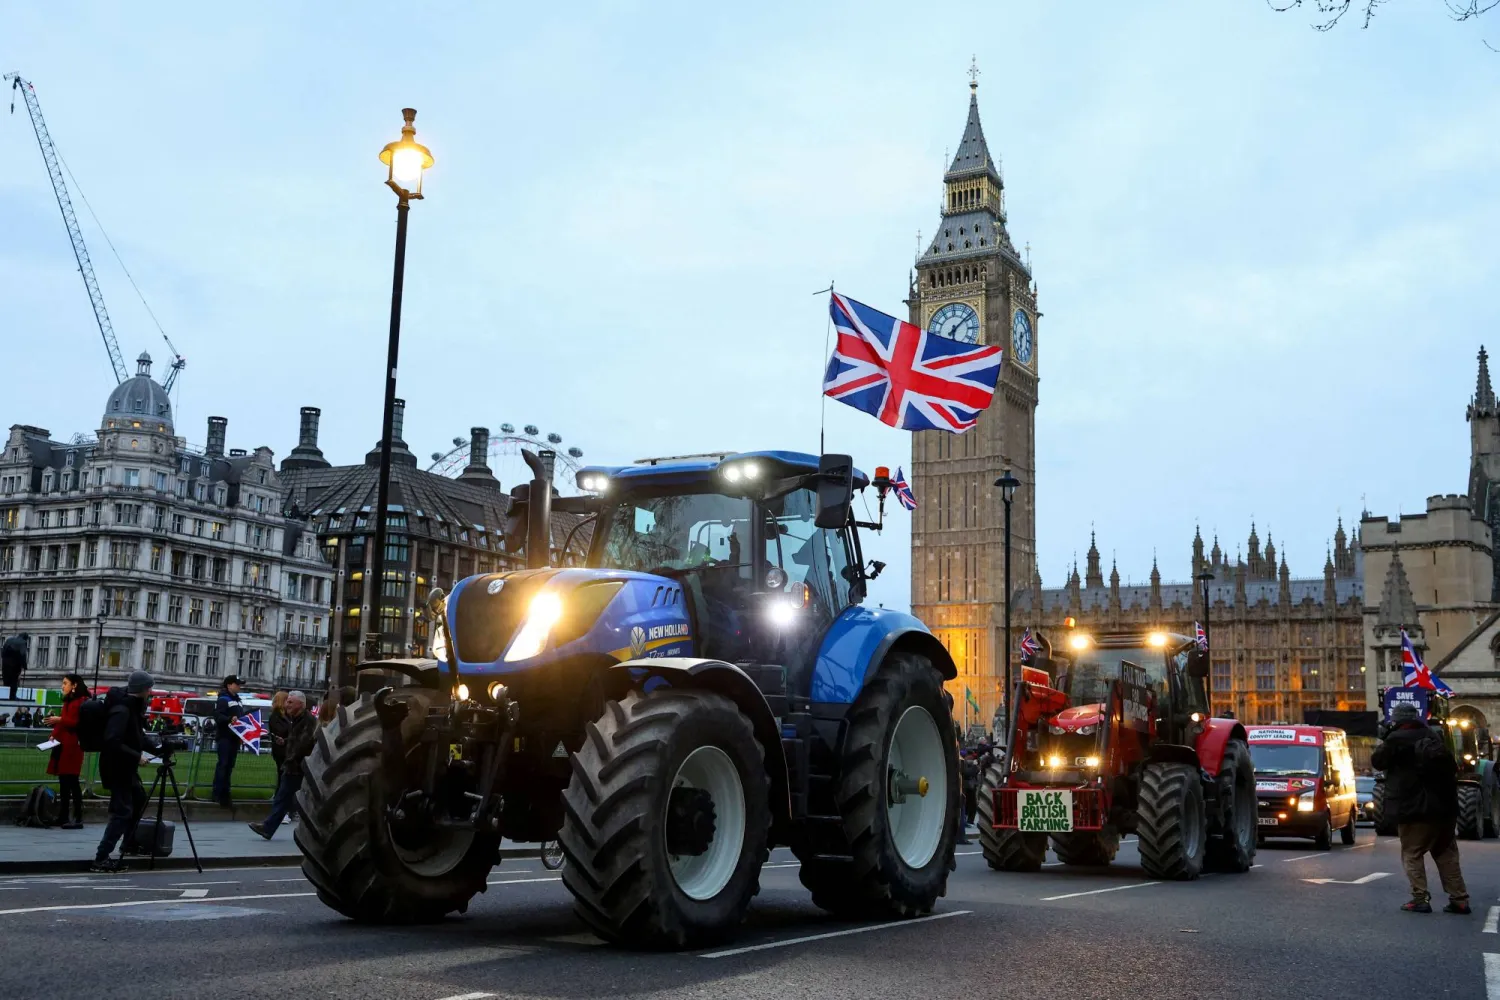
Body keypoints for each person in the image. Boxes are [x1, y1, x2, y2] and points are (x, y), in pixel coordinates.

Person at [1371, 701, 1470, 914]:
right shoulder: (1434, 736)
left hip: (1414, 808)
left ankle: (1420, 898)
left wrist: (1385, 737)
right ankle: (1459, 899)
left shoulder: (1396, 740)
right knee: (1446, 854)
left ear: (1396, 719)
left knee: (1412, 852)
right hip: (1445, 808)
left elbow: (1378, 761)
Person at [91, 670, 153, 873]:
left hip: (124, 765)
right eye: (150, 688)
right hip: (116, 767)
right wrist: (137, 756)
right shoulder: (123, 709)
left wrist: (160, 747)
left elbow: (137, 737)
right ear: (144, 689)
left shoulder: (132, 707)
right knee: (122, 811)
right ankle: (101, 857)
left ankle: (130, 843)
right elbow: (112, 740)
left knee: (138, 799)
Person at [249, 691, 316, 840]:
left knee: (285, 797)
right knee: (285, 798)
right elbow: (297, 741)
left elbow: (304, 744)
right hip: (295, 765)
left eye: (291, 702)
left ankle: (268, 827)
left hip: (298, 766)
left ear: (301, 704)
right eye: (287, 702)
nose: (287, 705)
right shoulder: (296, 719)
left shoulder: (308, 721)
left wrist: (290, 759)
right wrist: (285, 743)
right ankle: (269, 827)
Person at [43, 674, 89, 830]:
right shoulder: (69, 701)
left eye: (65, 683)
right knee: (64, 782)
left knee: (72, 782)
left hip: (73, 746)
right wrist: (53, 735)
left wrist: (59, 720)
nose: (62, 686)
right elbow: (63, 722)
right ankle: (63, 816)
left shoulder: (80, 702)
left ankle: (77, 817)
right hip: (64, 744)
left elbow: (76, 723)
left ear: (74, 685)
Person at [211, 675, 247, 807]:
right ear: (229, 685)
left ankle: (225, 792)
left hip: (234, 737)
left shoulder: (237, 700)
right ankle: (218, 792)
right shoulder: (223, 699)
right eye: (237, 684)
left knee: (229, 765)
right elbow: (218, 716)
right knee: (223, 764)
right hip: (225, 736)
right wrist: (229, 719)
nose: (239, 686)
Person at [267, 690, 290, 781]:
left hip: (285, 748)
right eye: (287, 701)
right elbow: (280, 731)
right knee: (282, 774)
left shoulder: (285, 715)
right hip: (280, 749)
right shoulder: (275, 716)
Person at [1, 633, 27, 699]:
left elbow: (3, 652)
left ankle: (5, 696)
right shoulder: (22, 642)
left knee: (6, 681)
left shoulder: (9, 640)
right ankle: (12, 696)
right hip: (14, 665)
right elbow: (23, 654)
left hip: (5, 664)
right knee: (14, 681)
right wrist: (25, 666)